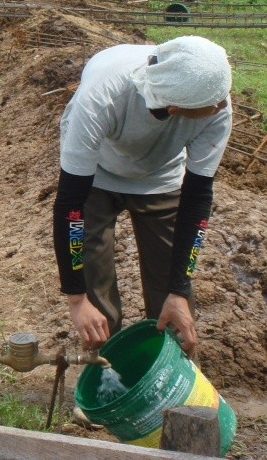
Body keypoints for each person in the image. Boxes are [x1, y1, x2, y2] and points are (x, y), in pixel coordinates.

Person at [52, 36, 232, 359]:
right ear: (176, 108)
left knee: (172, 296)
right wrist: (77, 300)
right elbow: (70, 204)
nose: (222, 107)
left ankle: (171, 374)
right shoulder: (102, 97)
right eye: (214, 106)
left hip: (160, 173)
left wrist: (178, 290)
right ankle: (107, 373)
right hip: (97, 170)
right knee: (93, 275)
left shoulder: (214, 101)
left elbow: (197, 198)